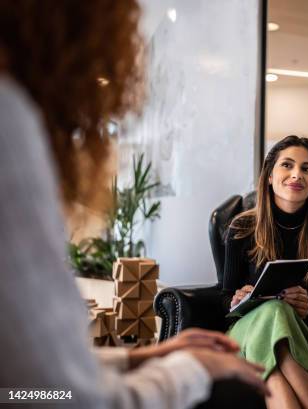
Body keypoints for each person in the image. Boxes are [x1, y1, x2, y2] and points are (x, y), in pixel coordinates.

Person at [0, 1, 267, 408]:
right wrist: (192, 369)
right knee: (236, 390)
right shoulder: (8, 121)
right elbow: (54, 397)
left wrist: (139, 356)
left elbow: (25, 383)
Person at [222, 135, 308, 409]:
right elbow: (223, 298)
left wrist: (307, 310)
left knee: (277, 320)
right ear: (269, 175)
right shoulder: (242, 227)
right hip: (247, 329)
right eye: (287, 165)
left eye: (307, 168)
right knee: (274, 312)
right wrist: (237, 299)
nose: (297, 175)